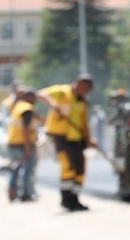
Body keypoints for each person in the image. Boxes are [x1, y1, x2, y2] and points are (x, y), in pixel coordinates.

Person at [39, 74, 95, 212]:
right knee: (68, 167)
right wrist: (52, 103)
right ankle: (66, 199)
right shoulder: (61, 91)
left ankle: (75, 198)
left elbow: (83, 123)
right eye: (82, 86)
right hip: (61, 137)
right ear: (76, 82)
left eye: (86, 88)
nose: (83, 90)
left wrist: (88, 139)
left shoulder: (83, 102)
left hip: (77, 138)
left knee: (80, 169)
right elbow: (41, 94)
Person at [5, 87, 39, 202]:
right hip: (23, 144)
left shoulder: (17, 106)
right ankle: (26, 193)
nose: (35, 99)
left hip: (12, 142)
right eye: (33, 97)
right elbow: (25, 128)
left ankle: (12, 191)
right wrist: (28, 147)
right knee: (27, 169)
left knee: (15, 168)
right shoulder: (27, 109)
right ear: (29, 97)